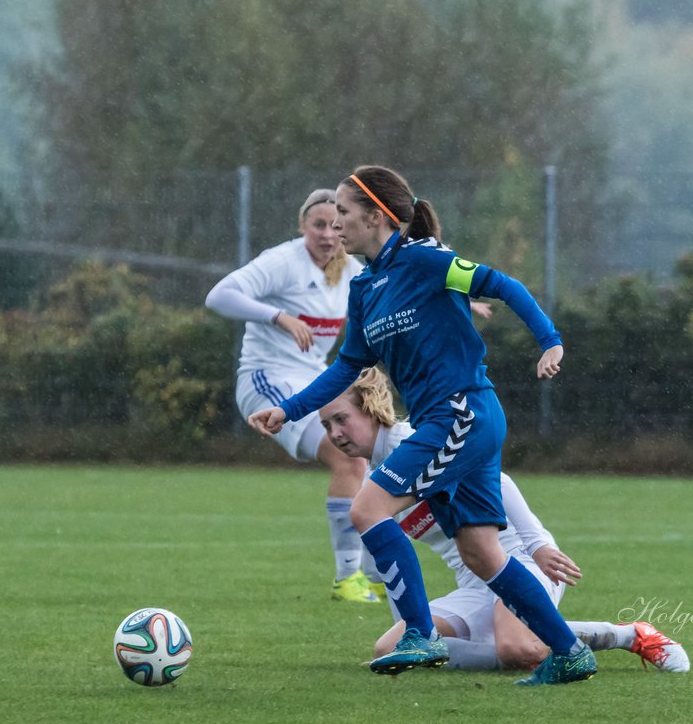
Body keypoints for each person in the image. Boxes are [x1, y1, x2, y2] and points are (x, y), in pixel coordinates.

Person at [249, 164, 597, 685]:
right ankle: (571, 652)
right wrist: (289, 410)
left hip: (463, 413)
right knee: (482, 553)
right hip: (452, 420)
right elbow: (348, 367)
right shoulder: (365, 287)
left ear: (377, 215)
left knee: (367, 506)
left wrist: (550, 340)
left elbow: (500, 284)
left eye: (343, 212)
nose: (335, 223)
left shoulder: (426, 260)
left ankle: (420, 632)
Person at [320, 368, 690, 673]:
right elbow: (383, 572)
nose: (335, 434)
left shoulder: (414, 445)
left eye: (341, 419)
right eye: (325, 426)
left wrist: (538, 543)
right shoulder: (372, 486)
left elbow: (497, 479)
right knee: (387, 645)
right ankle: (522, 641)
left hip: (520, 563)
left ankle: (630, 635)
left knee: (516, 648)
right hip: (473, 584)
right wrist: (408, 634)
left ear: (370, 408)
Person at [206, 188, 382, 604]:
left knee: (372, 451)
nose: (326, 234)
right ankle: (348, 578)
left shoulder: (352, 270)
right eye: (316, 225)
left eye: (333, 225)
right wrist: (278, 315)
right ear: (302, 227)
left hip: (313, 379)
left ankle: (376, 571)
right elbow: (218, 296)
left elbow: (400, 291)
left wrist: (461, 302)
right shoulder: (283, 262)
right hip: (265, 379)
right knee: (347, 455)